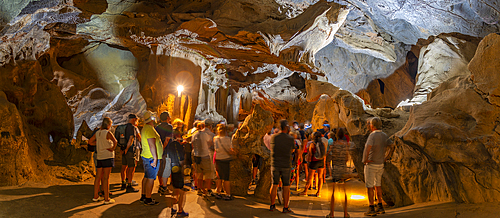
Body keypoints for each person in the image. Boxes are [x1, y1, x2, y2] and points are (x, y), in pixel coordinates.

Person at [363, 117, 394, 216]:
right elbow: (392, 146)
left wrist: (365, 159)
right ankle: (380, 206)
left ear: (372, 126)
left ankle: (371, 207)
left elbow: (367, 148)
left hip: (371, 164)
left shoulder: (372, 136)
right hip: (380, 163)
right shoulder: (384, 135)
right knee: (378, 184)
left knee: (369, 186)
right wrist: (387, 157)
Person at [89, 117, 117, 204]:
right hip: (107, 157)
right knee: (106, 178)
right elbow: (115, 141)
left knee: (98, 177)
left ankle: (95, 196)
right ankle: (106, 199)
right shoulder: (108, 133)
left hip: (100, 157)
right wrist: (112, 148)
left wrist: (98, 144)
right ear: (108, 125)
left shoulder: (98, 133)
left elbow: (90, 142)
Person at [269, 120, 295, 213]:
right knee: (286, 186)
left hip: (275, 163)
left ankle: (272, 205)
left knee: (274, 184)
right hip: (286, 164)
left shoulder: (274, 137)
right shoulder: (290, 138)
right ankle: (285, 207)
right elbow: (292, 150)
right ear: (287, 127)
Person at [326, 128, 352, 218]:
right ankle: (345, 213)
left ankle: (332, 214)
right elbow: (346, 158)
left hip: (336, 168)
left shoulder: (334, 144)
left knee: (333, 192)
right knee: (344, 191)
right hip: (342, 168)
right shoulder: (345, 145)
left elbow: (333, 156)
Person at [140, 111, 163, 205]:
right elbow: (152, 145)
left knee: (146, 177)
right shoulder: (149, 129)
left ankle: (144, 195)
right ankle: (148, 199)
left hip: (147, 156)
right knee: (150, 178)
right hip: (150, 157)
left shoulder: (146, 128)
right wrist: (155, 158)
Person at [166, 130, 189, 216]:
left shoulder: (171, 144)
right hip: (178, 168)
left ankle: (173, 207)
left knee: (175, 189)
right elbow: (180, 156)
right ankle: (180, 210)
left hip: (172, 166)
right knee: (182, 191)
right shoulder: (176, 144)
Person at [192, 121, 215, 197]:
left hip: (197, 156)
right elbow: (210, 143)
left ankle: (199, 189)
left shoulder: (194, 135)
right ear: (203, 127)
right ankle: (207, 189)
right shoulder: (205, 135)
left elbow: (192, 144)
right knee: (208, 173)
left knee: (199, 173)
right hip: (205, 155)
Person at [300, 131, 327, 197]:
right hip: (321, 161)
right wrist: (324, 162)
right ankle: (319, 192)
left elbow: (310, 154)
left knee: (310, 177)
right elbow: (324, 154)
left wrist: (308, 162)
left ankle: (305, 191)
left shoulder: (312, 144)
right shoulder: (322, 144)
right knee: (320, 177)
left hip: (314, 161)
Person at [213, 123, 235, 200]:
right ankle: (227, 194)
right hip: (226, 159)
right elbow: (230, 150)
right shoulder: (228, 139)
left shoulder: (215, 138)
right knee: (226, 178)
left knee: (219, 176)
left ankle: (218, 192)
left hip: (218, 159)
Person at [120, 114, 141, 193]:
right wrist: (127, 149)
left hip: (123, 149)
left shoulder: (124, 127)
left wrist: (122, 148)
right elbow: (131, 139)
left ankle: (123, 183)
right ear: (134, 119)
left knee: (123, 167)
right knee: (131, 167)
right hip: (130, 150)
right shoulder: (132, 127)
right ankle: (129, 185)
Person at [156, 112, 173, 195]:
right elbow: (167, 139)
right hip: (166, 150)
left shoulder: (157, 127)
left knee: (160, 168)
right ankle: (164, 187)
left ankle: (161, 184)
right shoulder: (169, 127)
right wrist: (163, 148)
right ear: (167, 117)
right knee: (166, 168)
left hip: (158, 150)